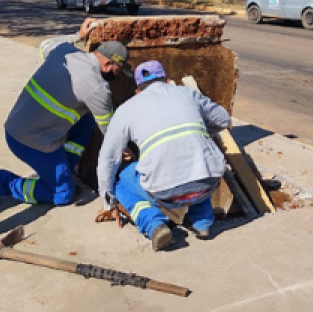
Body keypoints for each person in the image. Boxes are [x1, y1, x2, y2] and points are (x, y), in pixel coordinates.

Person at [0, 18, 132, 208]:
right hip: (30, 141)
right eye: (118, 71)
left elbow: (46, 44)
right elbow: (110, 130)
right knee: (63, 193)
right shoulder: (97, 89)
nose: (117, 76)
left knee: (86, 122)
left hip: (16, 124)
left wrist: (78, 36)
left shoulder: (65, 52)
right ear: (108, 64)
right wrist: (124, 148)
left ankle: (62, 169)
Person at [94, 60, 231, 251]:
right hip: (207, 184)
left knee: (122, 182)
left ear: (138, 91)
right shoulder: (188, 94)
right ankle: (203, 223)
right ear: (167, 81)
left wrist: (109, 203)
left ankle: (154, 225)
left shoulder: (126, 110)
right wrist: (203, 134)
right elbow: (224, 119)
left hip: (166, 193)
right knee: (198, 160)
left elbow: (108, 160)